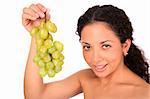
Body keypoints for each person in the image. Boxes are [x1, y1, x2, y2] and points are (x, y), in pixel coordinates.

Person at [22, 3, 150, 99]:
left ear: (125, 46)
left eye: (105, 46)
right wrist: (38, 33)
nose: (95, 59)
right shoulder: (86, 78)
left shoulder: (144, 94)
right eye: (87, 47)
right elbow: (35, 96)